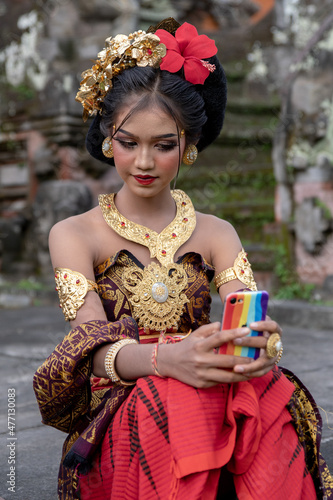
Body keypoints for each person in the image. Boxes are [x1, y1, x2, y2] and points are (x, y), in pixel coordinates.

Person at [33, 18, 332, 500]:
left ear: (188, 146)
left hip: (214, 385)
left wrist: (258, 347)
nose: (144, 162)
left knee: (266, 397)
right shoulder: (74, 234)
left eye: (164, 145)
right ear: (109, 138)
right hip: (130, 400)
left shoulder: (217, 233)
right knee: (168, 394)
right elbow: (88, 352)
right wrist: (167, 359)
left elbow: (248, 317)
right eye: (129, 143)